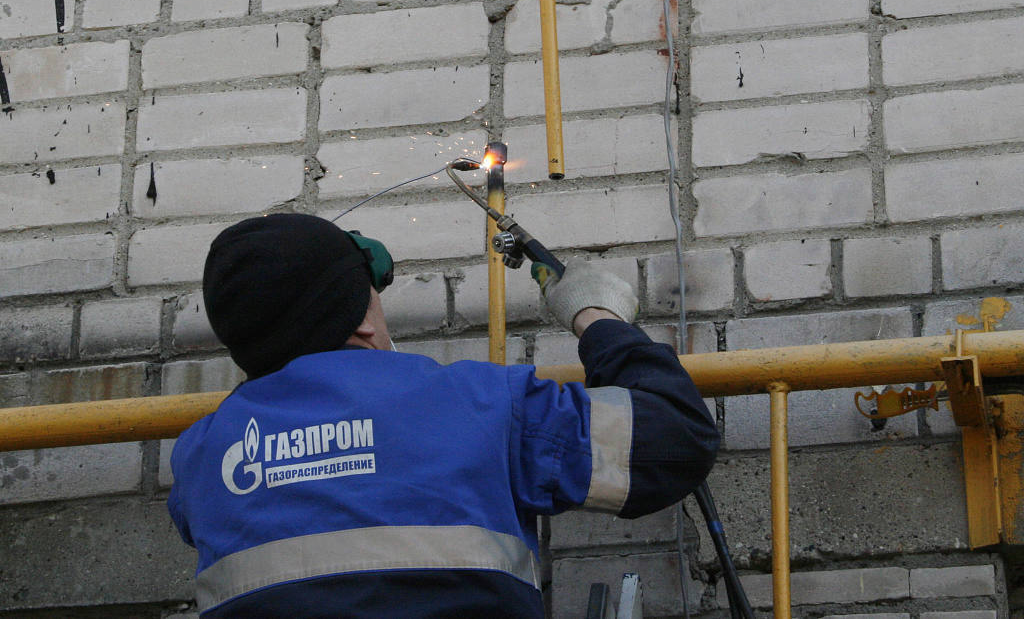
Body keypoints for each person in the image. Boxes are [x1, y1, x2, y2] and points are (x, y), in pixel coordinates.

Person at [168, 213, 719, 618]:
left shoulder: (198, 461)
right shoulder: (479, 407)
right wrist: (597, 317)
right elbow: (676, 436)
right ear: (361, 322)